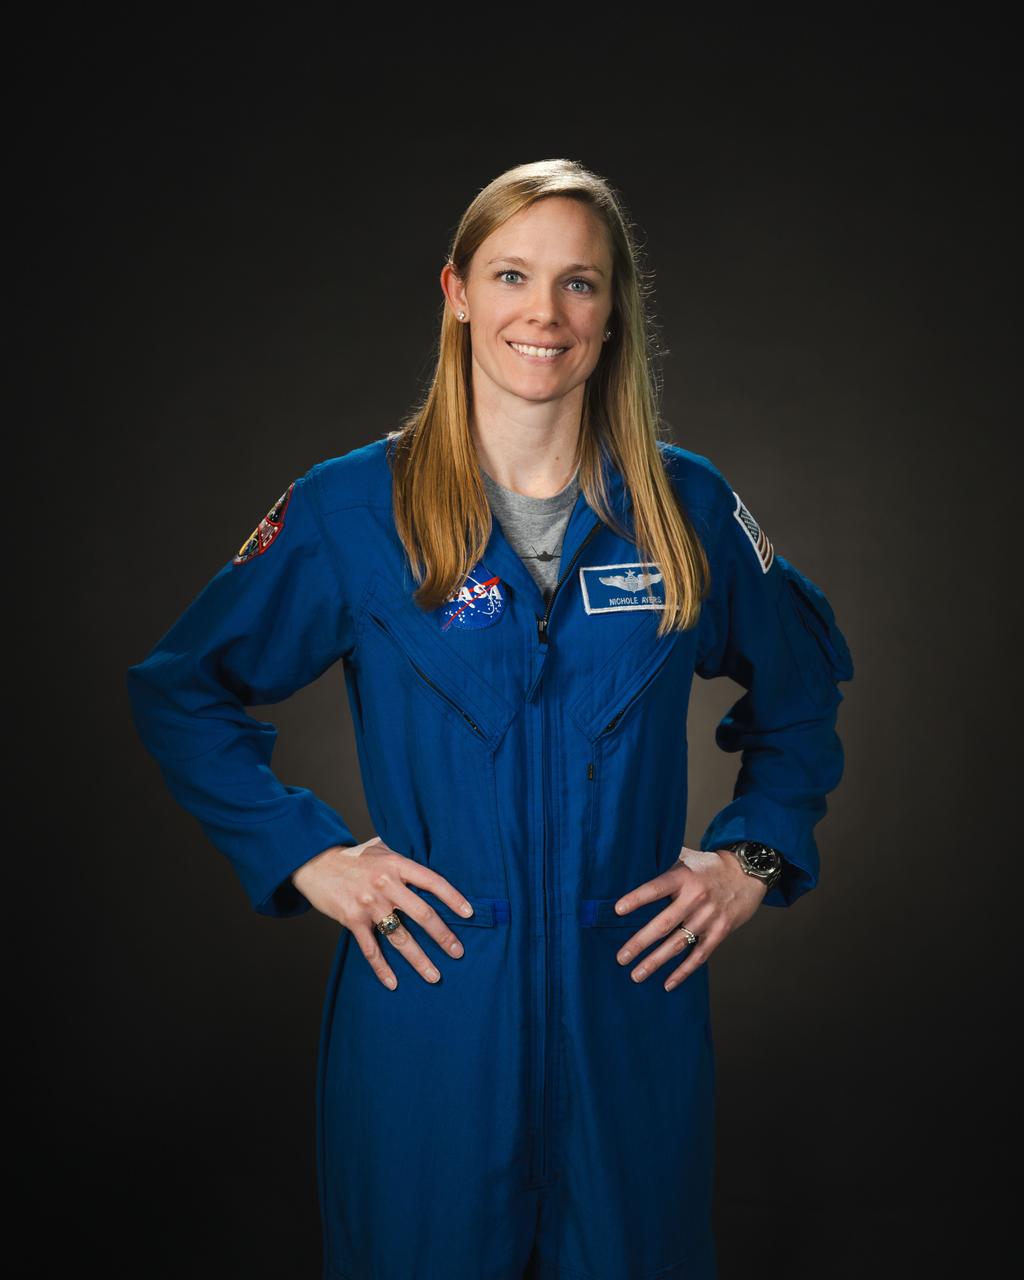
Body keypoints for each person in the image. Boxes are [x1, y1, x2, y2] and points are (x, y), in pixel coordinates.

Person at [125, 158, 854, 1280]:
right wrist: (305, 852)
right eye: (512, 275)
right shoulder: (351, 509)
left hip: (628, 1019)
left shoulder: (684, 507)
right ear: (458, 291)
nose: (543, 313)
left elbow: (801, 696)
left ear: (612, 314)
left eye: (579, 283)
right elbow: (180, 684)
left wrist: (752, 855)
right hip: (430, 1016)